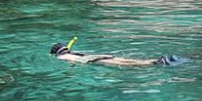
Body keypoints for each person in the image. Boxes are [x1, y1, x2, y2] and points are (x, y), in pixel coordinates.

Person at [50, 42, 178, 66]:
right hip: (100, 55)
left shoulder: (61, 57)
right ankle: (155, 60)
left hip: (96, 60)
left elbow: (73, 63)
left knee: (126, 64)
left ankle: (156, 62)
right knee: (127, 60)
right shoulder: (74, 53)